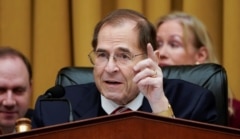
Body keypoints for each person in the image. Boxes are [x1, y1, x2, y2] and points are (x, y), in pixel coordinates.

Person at [32, 9, 217, 128]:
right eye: (102, 55)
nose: (110, 68)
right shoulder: (54, 109)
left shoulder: (193, 104)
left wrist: (159, 106)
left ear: (152, 60)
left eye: (124, 56)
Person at [156, 11, 240, 130]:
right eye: (157, 44)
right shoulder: (138, 102)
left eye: (174, 44)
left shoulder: (238, 113)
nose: (161, 53)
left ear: (200, 55)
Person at [0, 47, 33, 135]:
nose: (9, 102)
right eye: (1, 90)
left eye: (18, 90)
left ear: (30, 89)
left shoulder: (48, 132)